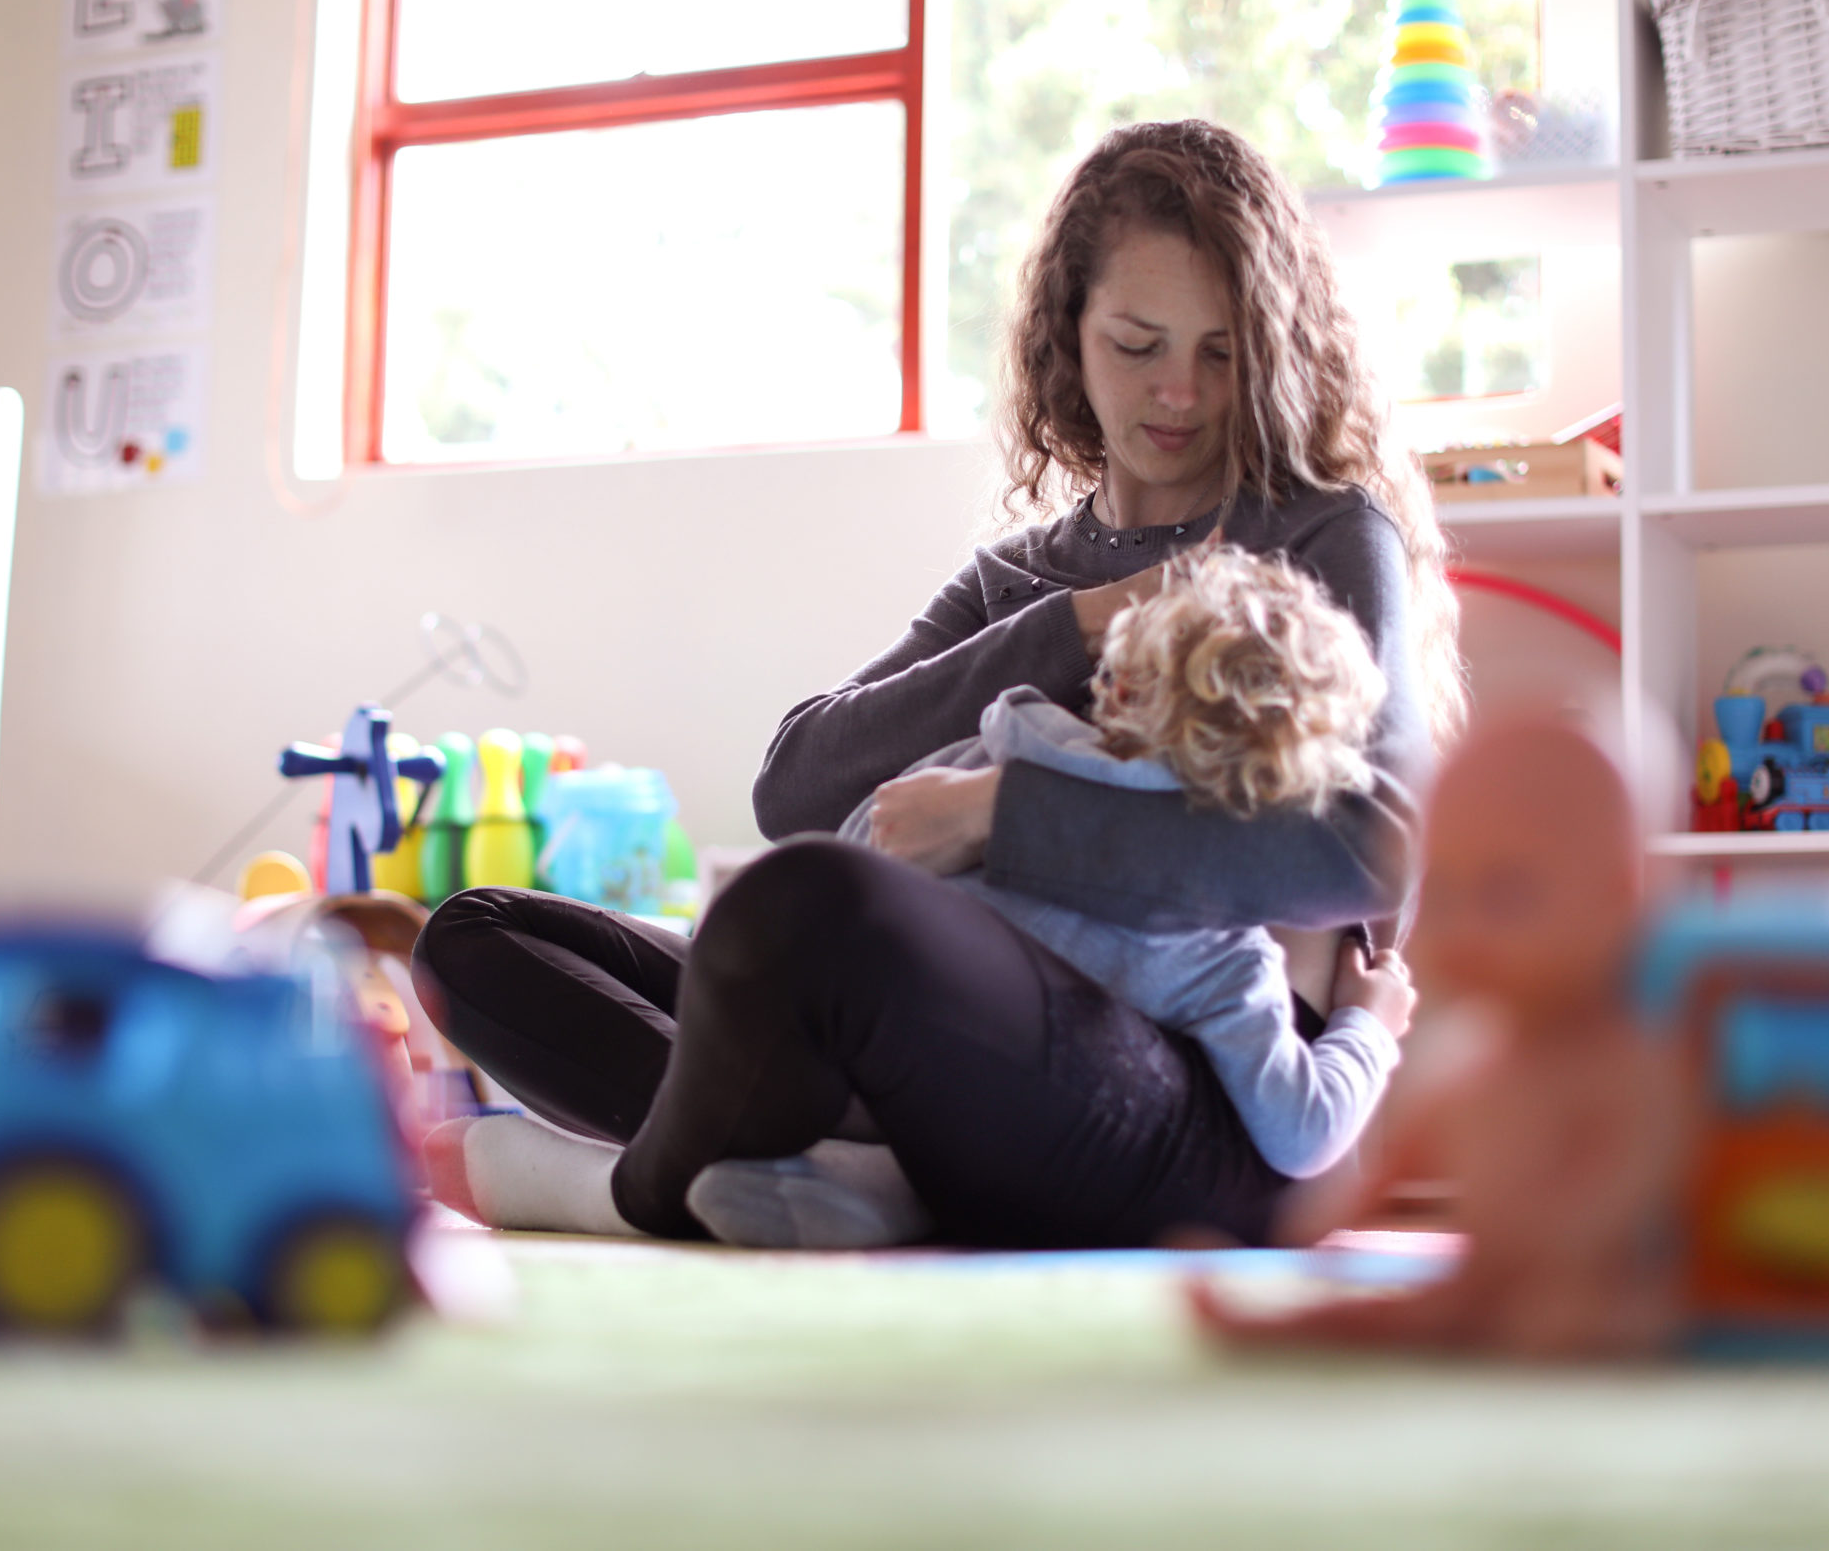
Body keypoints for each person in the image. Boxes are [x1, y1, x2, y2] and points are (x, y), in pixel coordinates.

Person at [415, 117, 1462, 1249]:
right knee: (474, 941)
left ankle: (635, 1191)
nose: (1180, 393)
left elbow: (1376, 848)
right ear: (1068, 338)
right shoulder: (1022, 581)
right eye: (1137, 343)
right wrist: (1079, 621)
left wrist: (1005, 816)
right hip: (963, 1054)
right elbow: (796, 784)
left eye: (1221, 353)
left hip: (1204, 1098)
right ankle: (853, 1174)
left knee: (808, 910)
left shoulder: (1317, 534)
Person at [830, 545, 1414, 1211]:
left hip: (849, 1040)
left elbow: (862, 846)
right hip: (1042, 1148)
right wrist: (1368, 1022)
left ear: (1118, 686)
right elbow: (1301, 1133)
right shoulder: (1215, 956)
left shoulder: (994, 753)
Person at [1190, 719, 1685, 1357]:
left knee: (1581, 1314)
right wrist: (1324, 1228)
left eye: (1506, 893)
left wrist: (1571, 1236)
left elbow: (1637, 1174)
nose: (1466, 929)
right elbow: (1409, 1153)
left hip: (1588, 1280)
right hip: (1481, 1284)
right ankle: (1277, 1327)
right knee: (1397, 1314)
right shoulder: (1474, 1066)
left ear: (1621, 897)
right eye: (1444, 892)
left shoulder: (1626, 1064)